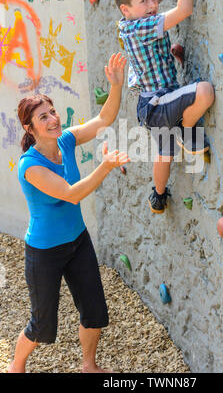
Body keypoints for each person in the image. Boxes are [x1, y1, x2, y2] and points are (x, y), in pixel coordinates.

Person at [8, 53, 129, 373]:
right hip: (45, 251)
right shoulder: (30, 166)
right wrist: (104, 167)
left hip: (78, 241)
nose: (52, 119)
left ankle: (89, 365)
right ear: (29, 127)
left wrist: (115, 87)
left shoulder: (66, 140)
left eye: (52, 112)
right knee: (42, 324)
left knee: (95, 310)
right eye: (43, 117)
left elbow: (103, 120)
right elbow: (72, 194)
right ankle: (16, 365)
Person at [112, 0, 215, 214]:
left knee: (165, 154)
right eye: (143, 2)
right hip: (158, 104)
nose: (152, 5)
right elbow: (184, 9)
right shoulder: (142, 27)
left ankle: (158, 195)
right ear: (126, 9)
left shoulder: (128, 23)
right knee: (204, 91)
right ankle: (187, 128)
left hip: (150, 107)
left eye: (151, 1)